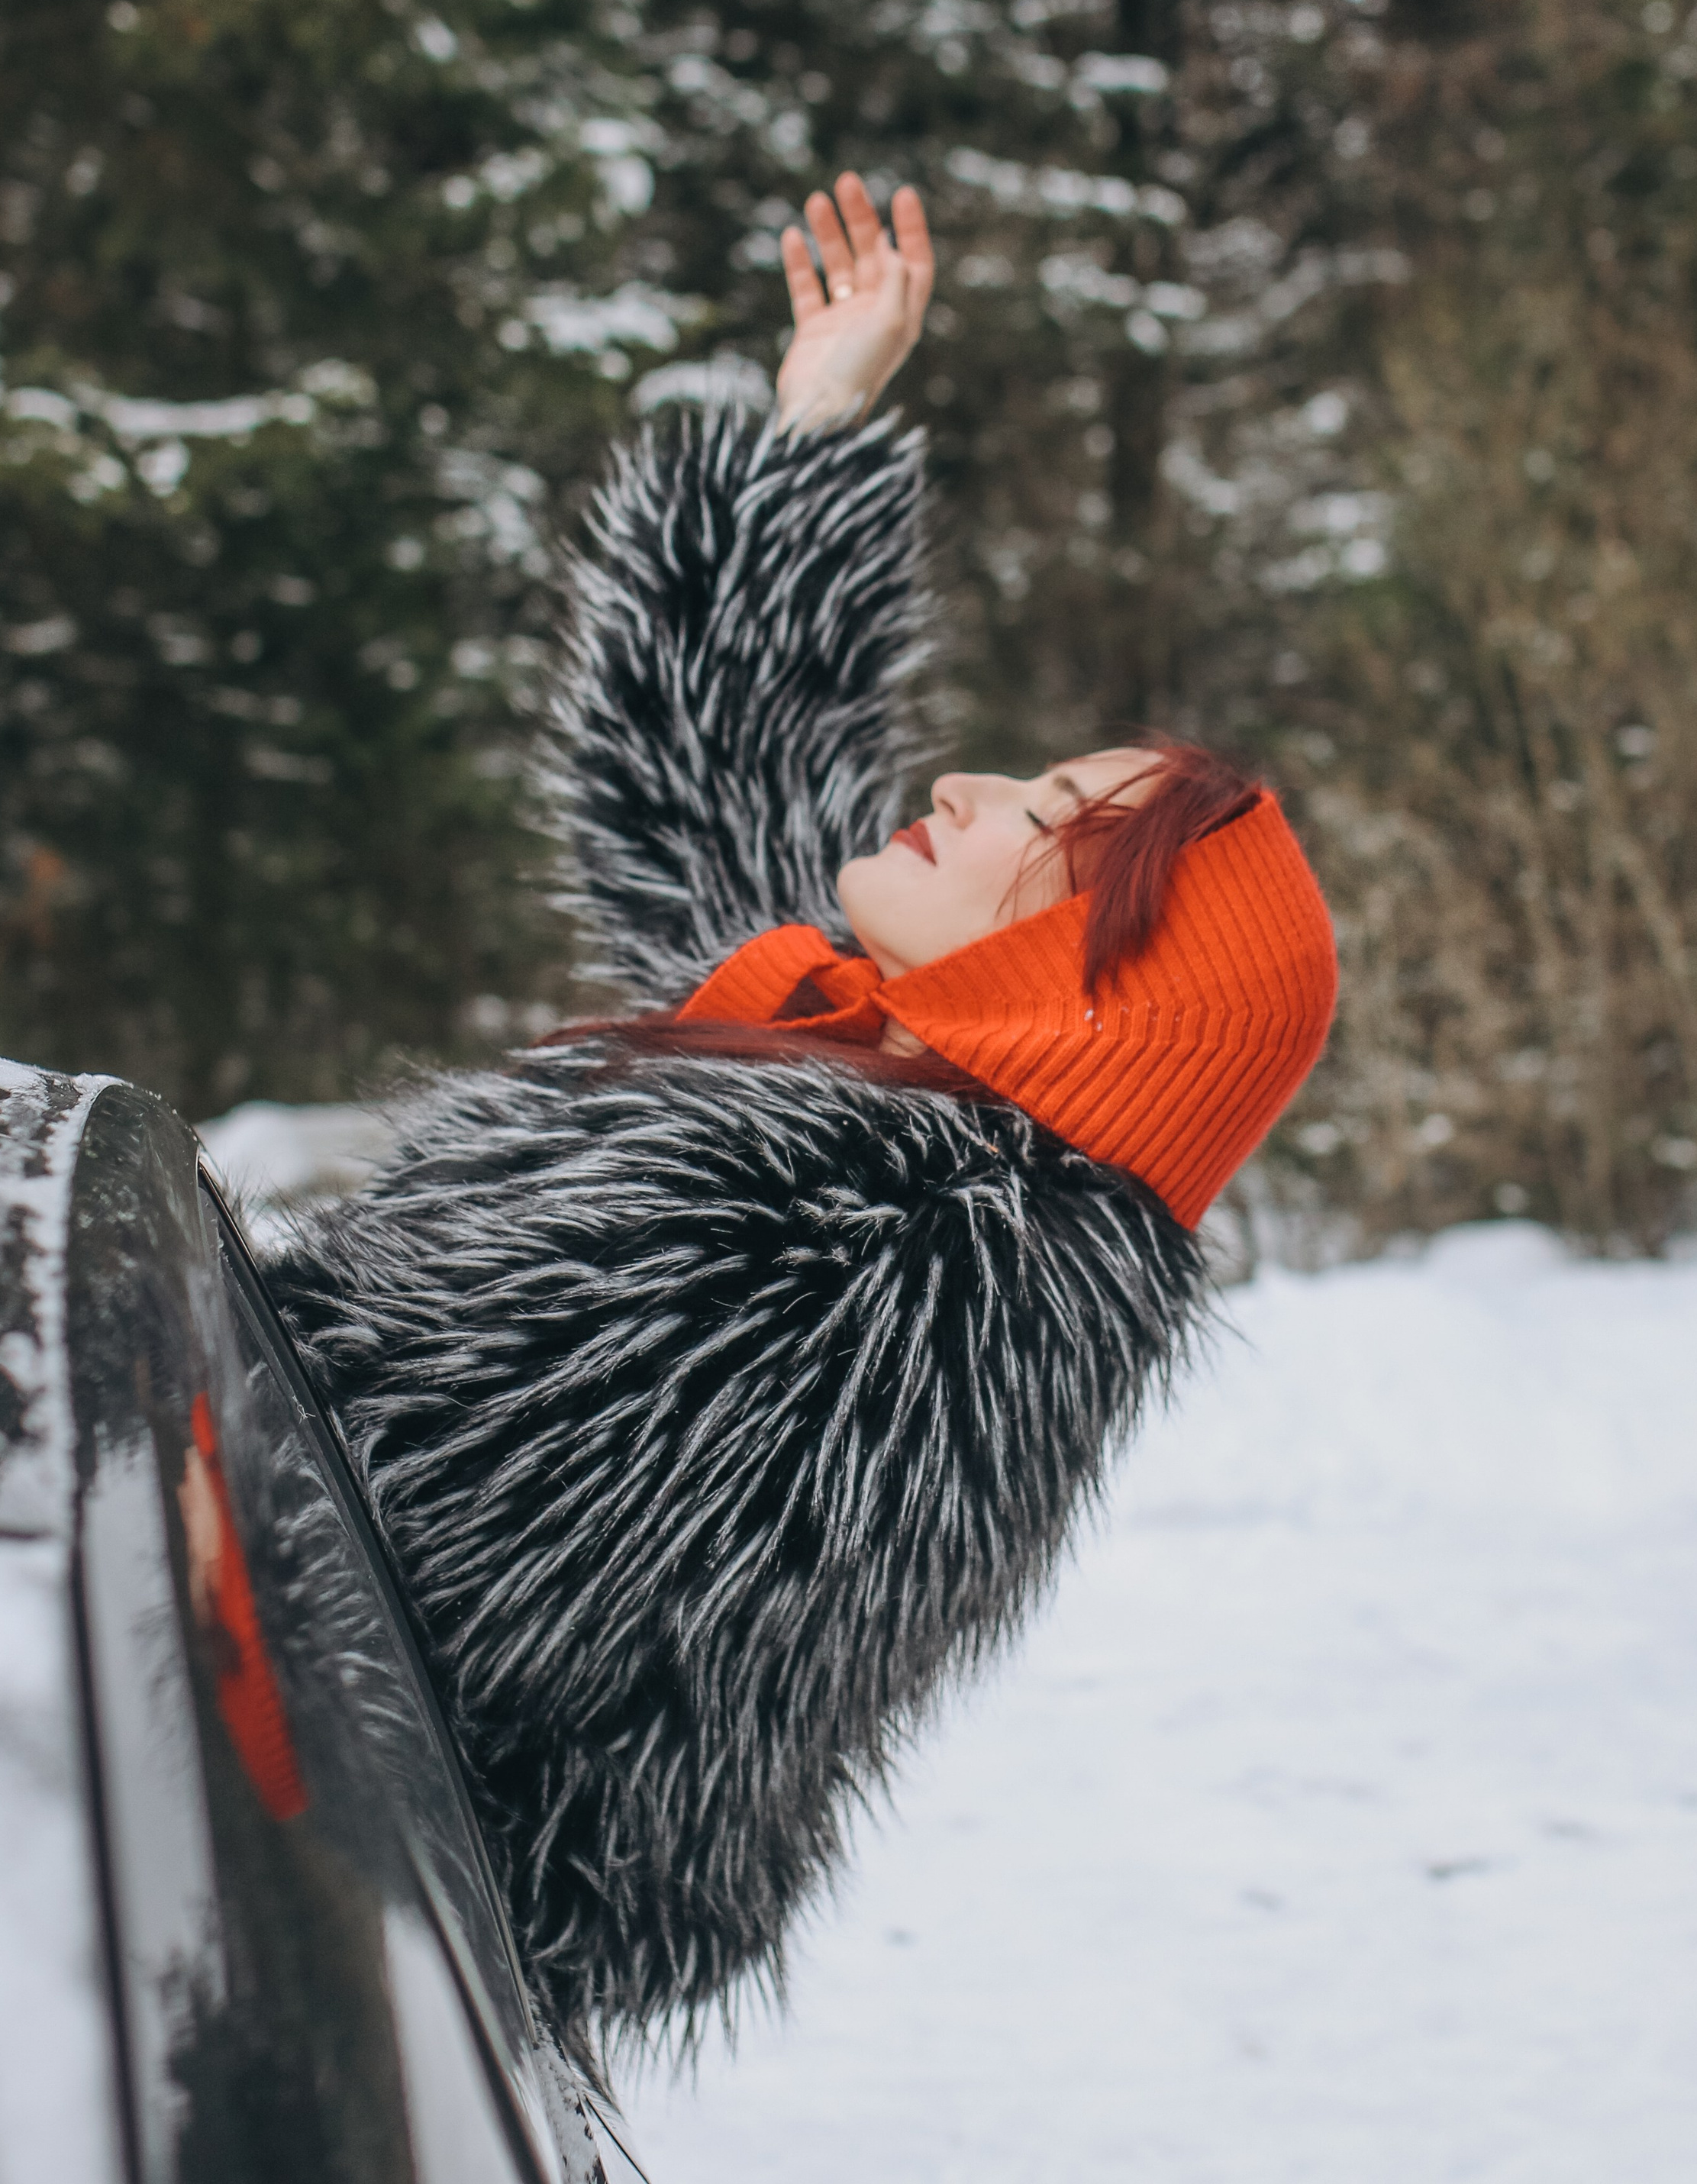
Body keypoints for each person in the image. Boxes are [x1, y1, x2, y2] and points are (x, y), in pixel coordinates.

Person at [269, 175, 1338, 2064]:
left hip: (334, 1953)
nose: (966, 779)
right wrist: (815, 429)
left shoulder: (866, 1273)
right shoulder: (872, 1086)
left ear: (1089, 992)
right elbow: (697, 798)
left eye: (1044, 823)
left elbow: (351, 1509)